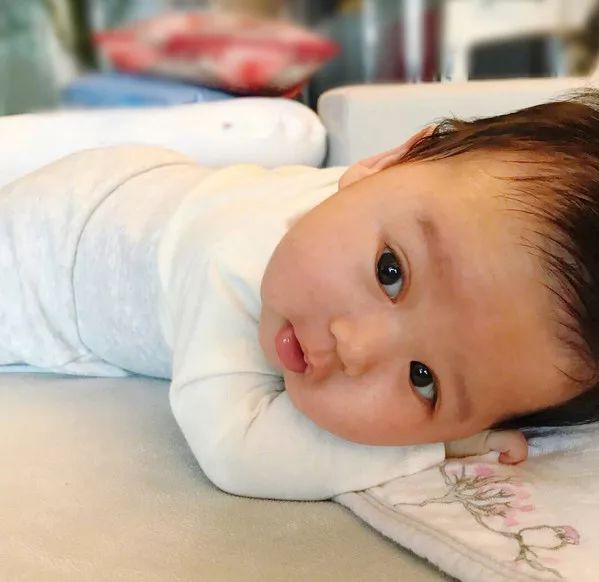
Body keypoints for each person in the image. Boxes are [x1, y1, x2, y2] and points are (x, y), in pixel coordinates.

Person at [1, 89, 597, 500]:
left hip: (150, 180)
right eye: (390, 272)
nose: (354, 347)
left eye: (424, 380)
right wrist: (442, 446)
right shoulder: (228, 265)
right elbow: (236, 449)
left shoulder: (369, 210)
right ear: (389, 161)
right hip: (39, 253)